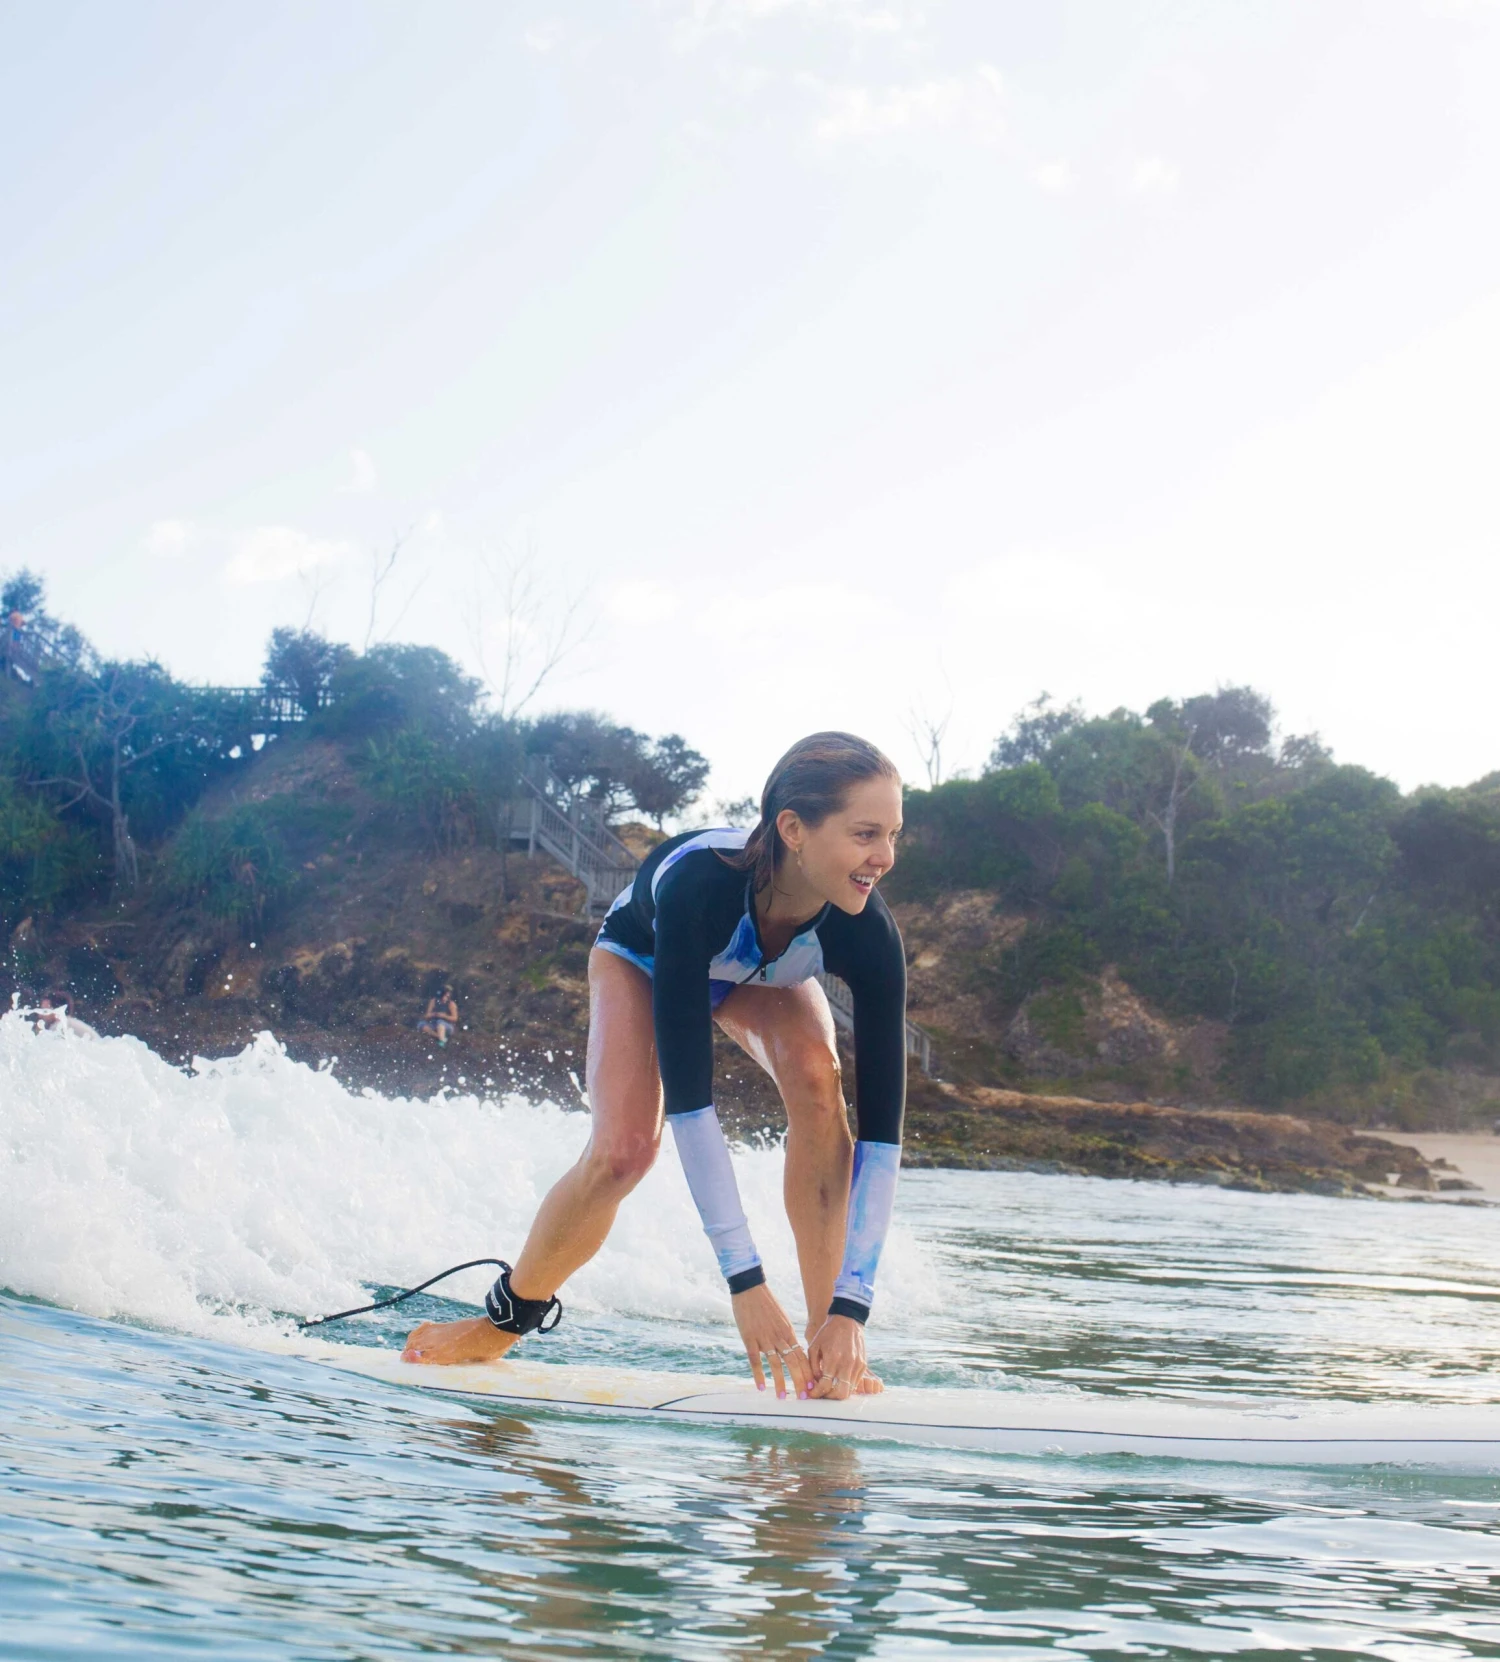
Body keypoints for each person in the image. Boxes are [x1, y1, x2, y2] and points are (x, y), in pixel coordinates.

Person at [404, 731, 909, 1403]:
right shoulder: (700, 886)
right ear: (793, 829)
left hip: (764, 977)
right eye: (866, 834)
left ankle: (828, 1343)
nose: (885, 857)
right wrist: (745, 1283)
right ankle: (502, 1322)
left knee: (820, 1082)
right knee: (624, 1152)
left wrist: (853, 1308)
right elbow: (693, 1104)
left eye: (893, 835)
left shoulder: (868, 932)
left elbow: (882, 1139)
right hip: (643, 959)